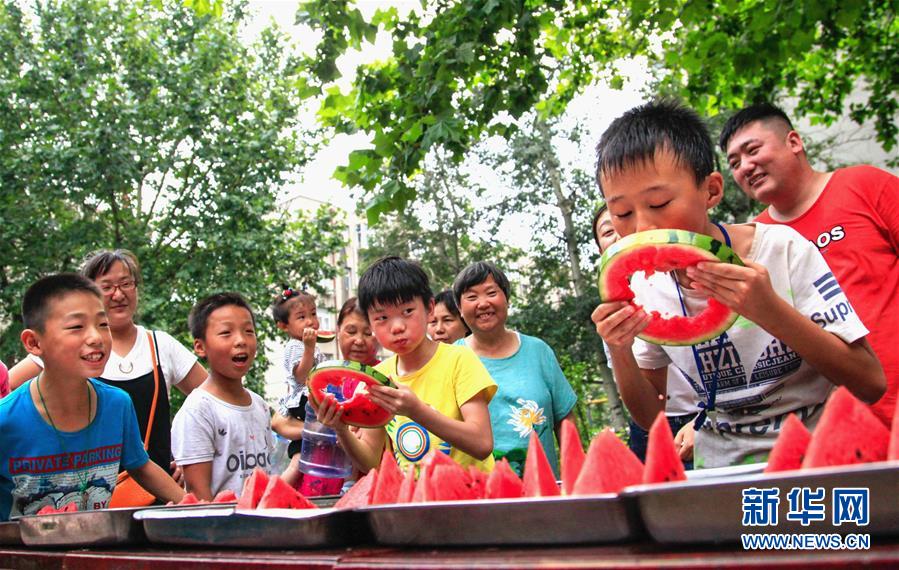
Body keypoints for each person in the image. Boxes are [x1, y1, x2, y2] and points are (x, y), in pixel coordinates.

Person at [590, 100, 885, 468]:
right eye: (622, 213)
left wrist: (769, 310)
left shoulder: (783, 250)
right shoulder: (645, 289)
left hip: (816, 462)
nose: (644, 228)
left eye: (660, 202)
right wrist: (619, 350)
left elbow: (870, 383)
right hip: (721, 476)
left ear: (711, 191)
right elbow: (653, 417)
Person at [720, 102, 899, 427]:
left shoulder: (865, 185)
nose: (745, 166)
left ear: (794, 142)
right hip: (823, 430)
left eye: (752, 150)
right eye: (734, 162)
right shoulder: (752, 242)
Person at [1, 274, 183, 520]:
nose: (96, 337)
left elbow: (140, 466)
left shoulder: (117, 405)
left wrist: (195, 506)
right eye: (77, 327)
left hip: (90, 552)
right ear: (34, 342)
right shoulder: (6, 420)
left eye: (102, 324)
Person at [7, 249, 206, 474]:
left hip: (154, 488)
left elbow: (213, 399)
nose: (118, 295)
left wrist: (188, 455)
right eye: (107, 287)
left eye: (126, 284)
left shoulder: (161, 345)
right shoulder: (65, 350)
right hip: (86, 489)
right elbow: (8, 387)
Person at [316, 256, 497, 473]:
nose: (397, 327)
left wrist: (417, 411)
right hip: (416, 502)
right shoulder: (378, 376)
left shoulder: (460, 360)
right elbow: (371, 461)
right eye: (382, 317)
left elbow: (482, 443)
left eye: (407, 311)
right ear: (370, 322)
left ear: (429, 308)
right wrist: (341, 430)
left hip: (470, 499)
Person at [593, 205, 698, 467]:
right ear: (599, 249)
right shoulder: (608, 310)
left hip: (704, 415)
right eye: (608, 232)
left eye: (624, 223)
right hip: (649, 424)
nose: (619, 236)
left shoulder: (683, 278)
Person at [453, 261, 577, 477]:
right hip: (478, 492)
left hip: (542, 489)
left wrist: (574, 474)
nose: (483, 303)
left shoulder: (539, 351)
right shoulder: (452, 359)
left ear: (507, 299)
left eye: (491, 293)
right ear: (460, 310)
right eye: (471, 297)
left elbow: (565, 419)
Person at [171, 293, 272, 500]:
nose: (241, 340)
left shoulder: (260, 405)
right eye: (226, 333)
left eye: (248, 331)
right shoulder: (198, 410)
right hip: (222, 529)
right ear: (200, 347)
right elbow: (200, 497)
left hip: (264, 525)